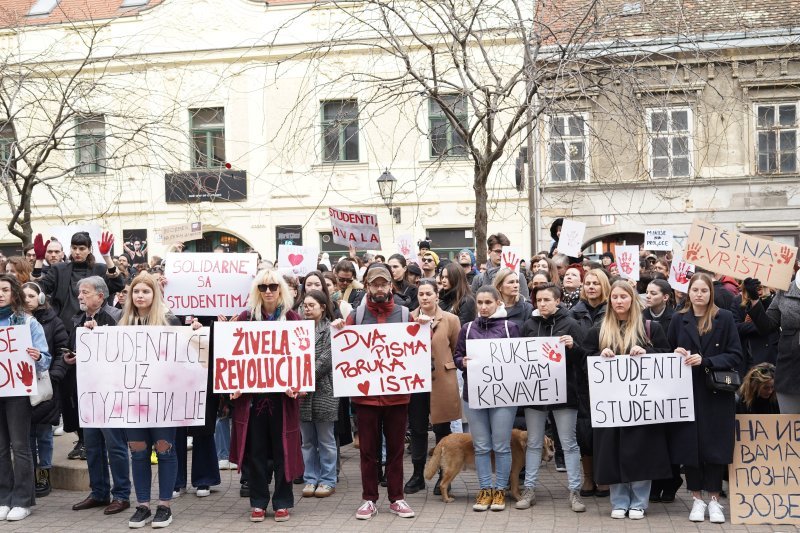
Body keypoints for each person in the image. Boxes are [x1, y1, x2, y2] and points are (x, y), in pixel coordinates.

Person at [331, 265, 416, 520]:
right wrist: (338, 329)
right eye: (375, 284)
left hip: (397, 395)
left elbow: (418, 353)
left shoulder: (404, 315)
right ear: (367, 286)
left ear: (391, 286)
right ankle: (369, 499)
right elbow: (344, 350)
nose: (380, 288)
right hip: (365, 397)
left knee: (396, 450)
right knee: (367, 450)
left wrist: (424, 328)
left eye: (384, 284)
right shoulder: (355, 317)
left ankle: (396, 498)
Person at [583, 281, 672, 520]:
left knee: (641, 451)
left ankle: (639, 502)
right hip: (611, 406)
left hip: (641, 406)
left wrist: (648, 353)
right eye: (615, 297)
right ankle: (619, 501)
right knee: (612, 452)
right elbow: (585, 361)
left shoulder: (649, 328)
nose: (619, 301)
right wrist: (599, 356)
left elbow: (667, 357)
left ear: (632, 300)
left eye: (623, 297)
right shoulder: (599, 329)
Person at [667, 273, 743, 524]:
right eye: (695, 290)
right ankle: (696, 498)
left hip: (716, 391)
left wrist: (707, 361)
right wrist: (675, 353)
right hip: (686, 390)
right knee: (690, 444)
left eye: (704, 290)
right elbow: (666, 352)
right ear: (688, 292)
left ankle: (714, 500)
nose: (699, 294)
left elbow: (735, 355)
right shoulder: (678, 320)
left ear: (711, 293)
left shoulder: (725, 318)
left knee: (715, 444)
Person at [229, 270, 304, 523]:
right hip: (253, 398)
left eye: (273, 286)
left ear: (281, 289)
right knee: (256, 451)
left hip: (282, 399)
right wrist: (233, 383)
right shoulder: (244, 318)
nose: (269, 291)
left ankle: (283, 501)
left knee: (283, 450)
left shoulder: (293, 319)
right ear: (257, 291)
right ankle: (259, 501)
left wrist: (298, 384)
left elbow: (301, 360)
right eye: (263, 287)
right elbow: (233, 357)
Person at [116, 273, 186, 528]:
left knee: (165, 451)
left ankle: (164, 506)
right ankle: (143, 505)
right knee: (138, 452)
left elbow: (186, 357)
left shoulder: (169, 322)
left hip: (163, 401)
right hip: (134, 402)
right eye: (136, 292)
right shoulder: (121, 325)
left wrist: (195, 333)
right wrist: (91, 330)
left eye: (146, 291)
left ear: (155, 295)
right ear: (130, 296)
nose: (140, 296)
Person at [517, 283, 586, 513]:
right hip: (535, 393)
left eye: (547, 299)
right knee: (534, 442)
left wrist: (573, 346)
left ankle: (575, 491)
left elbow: (584, 358)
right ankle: (529, 489)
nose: (542, 304)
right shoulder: (529, 325)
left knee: (568, 443)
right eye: (539, 300)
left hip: (564, 392)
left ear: (558, 301)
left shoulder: (571, 324)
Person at [68, 276, 132, 517]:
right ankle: (98, 492)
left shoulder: (116, 318)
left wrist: (99, 335)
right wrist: (71, 357)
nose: (80, 297)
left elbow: (123, 350)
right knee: (93, 445)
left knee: (115, 445)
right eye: (79, 293)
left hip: (112, 392)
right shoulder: (78, 319)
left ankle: (122, 495)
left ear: (100, 296)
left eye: (85, 292)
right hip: (89, 392)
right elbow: (78, 352)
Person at [453, 285, 519, 512]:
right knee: (481, 446)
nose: (483, 307)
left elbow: (520, 359)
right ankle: (485, 490)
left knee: (501, 446)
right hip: (474, 395)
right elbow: (457, 356)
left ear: (498, 303)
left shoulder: (511, 328)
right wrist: (463, 362)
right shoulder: (467, 328)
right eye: (479, 303)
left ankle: (500, 490)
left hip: (504, 396)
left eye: (488, 302)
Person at [0, 274, 51, 522]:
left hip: (17, 392)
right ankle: (3, 498)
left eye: (5, 289)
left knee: (20, 447)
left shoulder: (27, 322)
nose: (0, 293)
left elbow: (46, 358)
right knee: (0, 448)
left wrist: (37, 356)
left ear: (14, 293)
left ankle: (22, 500)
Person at [406, 280, 461, 495]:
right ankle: (418, 475)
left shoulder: (450, 319)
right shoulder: (407, 318)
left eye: (429, 293)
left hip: (442, 380)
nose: (425, 297)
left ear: (437, 295)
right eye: (421, 293)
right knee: (418, 429)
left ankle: (443, 477)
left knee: (442, 430)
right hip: (416, 382)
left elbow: (457, 348)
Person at [22, 282, 69, 498]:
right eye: (23, 296)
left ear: (40, 299)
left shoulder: (54, 322)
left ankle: (44, 473)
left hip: (46, 384)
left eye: (31, 296)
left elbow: (61, 351)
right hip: (21, 386)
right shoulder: (14, 322)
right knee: (26, 434)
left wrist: (55, 375)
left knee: (43, 433)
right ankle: (29, 474)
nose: (27, 299)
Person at [570, 268, 611, 498]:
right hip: (582, 377)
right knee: (585, 430)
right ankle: (588, 477)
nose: (591, 287)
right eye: (588, 283)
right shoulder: (574, 313)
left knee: (604, 430)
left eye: (596, 283)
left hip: (609, 378)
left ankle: (604, 476)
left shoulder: (612, 311)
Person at [33, 231, 123, 329]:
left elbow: (118, 285)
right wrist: (39, 261)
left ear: (89, 250)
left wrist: (107, 257)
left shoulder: (100, 269)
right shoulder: (58, 269)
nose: (77, 252)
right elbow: (40, 289)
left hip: (94, 326)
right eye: (74, 248)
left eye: (81, 248)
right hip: (63, 327)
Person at [299, 290, 339, 499]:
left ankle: (328, 479)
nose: (307, 308)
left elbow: (325, 361)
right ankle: (310, 478)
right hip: (302, 394)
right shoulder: (297, 330)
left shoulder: (331, 330)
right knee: (306, 441)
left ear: (323, 307)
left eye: (311, 305)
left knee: (326, 440)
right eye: (305, 305)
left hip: (324, 390)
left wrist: (303, 377)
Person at [746, 275, 800, 413]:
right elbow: (767, 325)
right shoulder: (785, 291)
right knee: (791, 429)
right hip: (790, 371)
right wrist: (754, 299)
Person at [731, 281, 778, 373]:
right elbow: (735, 327)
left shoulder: (772, 300)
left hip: (769, 354)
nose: (758, 292)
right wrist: (760, 325)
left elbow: (772, 325)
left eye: (761, 288)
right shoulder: (737, 301)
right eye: (756, 289)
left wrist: (766, 299)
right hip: (747, 353)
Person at [471, 233, 530, 299]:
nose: (502, 255)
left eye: (504, 251)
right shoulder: (479, 279)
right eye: (498, 251)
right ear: (489, 252)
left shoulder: (519, 276)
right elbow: (473, 305)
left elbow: (526, 303)